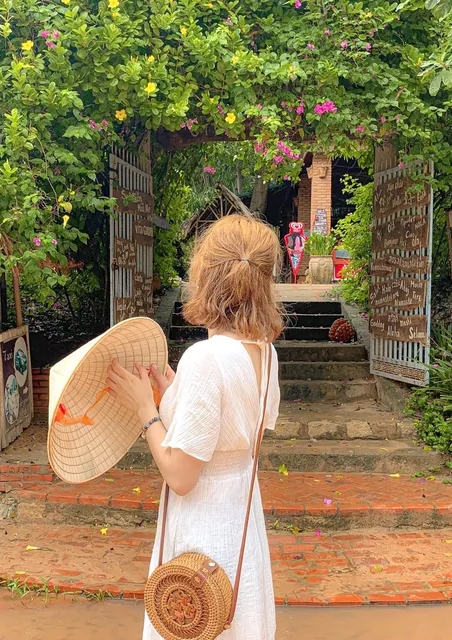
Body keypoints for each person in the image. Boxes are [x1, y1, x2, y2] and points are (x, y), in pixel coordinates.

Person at [106, 214, 283, 640]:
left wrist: (146, 408)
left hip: (203, 531)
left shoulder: (206, 358)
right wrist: (175, 393)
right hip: (239, 524)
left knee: (194, 622)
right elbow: (237, 437)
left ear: (206, 276)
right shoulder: (265, 352)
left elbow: (181, 476)